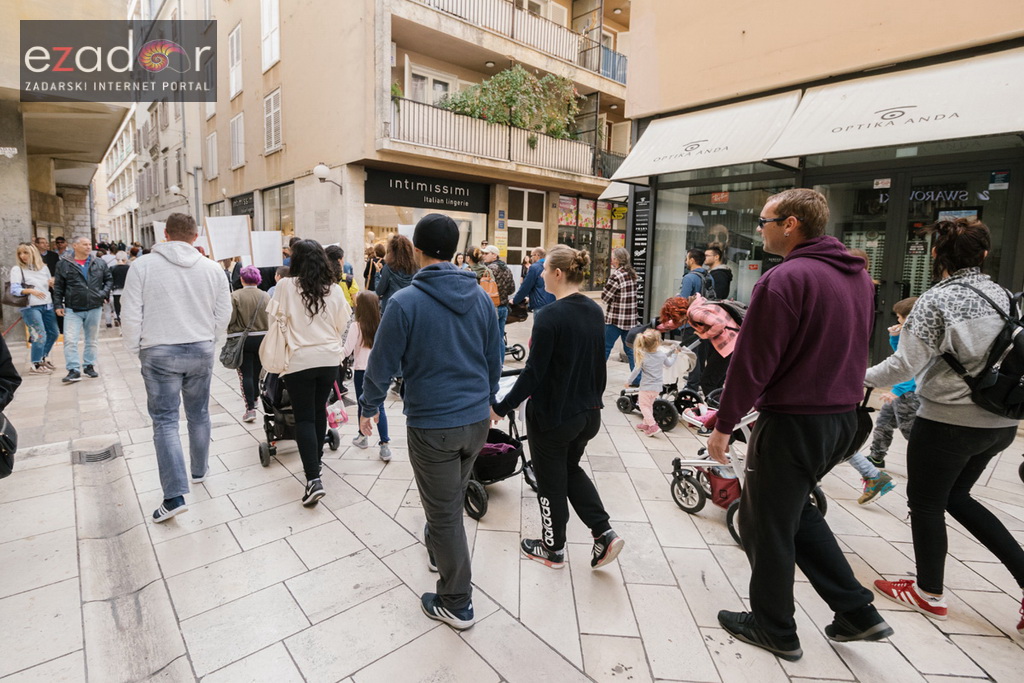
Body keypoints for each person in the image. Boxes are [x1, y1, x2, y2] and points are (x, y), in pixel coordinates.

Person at [707, 188, 889, 661]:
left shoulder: (783, 280)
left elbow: (752, 362)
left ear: (791, 224)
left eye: (765, 220)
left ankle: (775, 628)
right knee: (792, 511)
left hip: (795, 422)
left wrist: (723, 425)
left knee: (763, 522)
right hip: (842, 420)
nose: (759, 227)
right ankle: (856, 611)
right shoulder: (858, 278)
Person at [865, 217, 1024, 631]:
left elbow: (904, 364)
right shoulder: (1005, 296)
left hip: (948, 423)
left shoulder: (937, 299)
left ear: (936, 256)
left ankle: (928, 592)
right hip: (1000, 423)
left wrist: (854, 375)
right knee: (958, 497)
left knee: (928, 503)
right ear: (984, 254)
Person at [359, 213, 501, 631]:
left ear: (417, 251)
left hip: (432, 424)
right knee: (450, 499)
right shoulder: (479, 298)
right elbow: (493, 360)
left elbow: (381, 365)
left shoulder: (404, 302)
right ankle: (440, 551)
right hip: (476, 420)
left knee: (442, 512)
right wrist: (487, 400)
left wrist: (368, 408)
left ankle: (457, 601)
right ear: (455, 251)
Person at [492, 244, 624, 572]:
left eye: (543, 269)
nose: (540, 274)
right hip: (587, 413)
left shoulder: (550, 315)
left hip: (553, 417)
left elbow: (534, 373)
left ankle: (552, 548)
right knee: (570, 470)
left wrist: (501, 407)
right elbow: (597, 363)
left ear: (558, 273)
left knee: (551, 484)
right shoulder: (594, 310)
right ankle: (603, 532)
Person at [120, 213, 231, 522]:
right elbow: (224, 312)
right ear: (195, 237)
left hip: (158, 351)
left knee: (166, 422)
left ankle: (174, 495)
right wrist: (211, 340)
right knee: (199, 414)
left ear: (165, 234)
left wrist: (135, 348)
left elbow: (129, 311)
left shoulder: (142, 266)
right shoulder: (212, 269)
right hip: (199, 348)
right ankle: (199, 470)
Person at [270, 240, 352, 507]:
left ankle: (313, 479)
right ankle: (315, 463)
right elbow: (343, 323)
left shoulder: (284, 286)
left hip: (298, 360)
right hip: (328, 359)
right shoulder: (335, 290)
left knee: (304, 417)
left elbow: (275, 321)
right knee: (319, 412)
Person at [53, 236, 112, 384]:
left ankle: (89, 365)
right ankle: (73, 369)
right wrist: (58, 305)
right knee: (70, 340)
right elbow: (59, 286)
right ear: (75, 246)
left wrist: (103, 293)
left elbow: (109, 280)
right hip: (73, 308)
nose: (88, 247)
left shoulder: (99, 262)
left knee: (91, 340)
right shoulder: (63, 264)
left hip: (94, 306)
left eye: (89, 244)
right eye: (84, 244)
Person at [344, 290, 391, 461]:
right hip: (379, 370)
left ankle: (363, 437)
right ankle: (385, 445)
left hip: (361, 372)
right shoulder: (382, 324)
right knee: (380, 407)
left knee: (363, 404)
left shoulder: (356, 326)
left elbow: (346, 351)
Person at [228, 265, 270, 423]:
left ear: (242, 279)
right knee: (257, 372)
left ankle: (250, 408)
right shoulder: (265, 296)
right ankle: (256, 397)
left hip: (242, 339)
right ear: (258, 279)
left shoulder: (235, 296)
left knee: (245, 374)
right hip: (262, 338)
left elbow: (230, 319)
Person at [11, 243, 59, 374]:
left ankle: (42, 358)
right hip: (30, 307)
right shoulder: (17, 269)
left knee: (54, 333)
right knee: (39, 335)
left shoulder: (44, 268)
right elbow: (14, 290)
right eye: (20, 253)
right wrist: (31, 291)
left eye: (26, 253)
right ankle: (35, 363)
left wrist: (52, 283)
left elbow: (49, 285)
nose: (23, 256)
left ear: (33, 253)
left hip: (47, 304)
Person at [627, 329, 682, 436]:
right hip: (657, 387)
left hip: (646, 387)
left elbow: (636, 371)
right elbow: (669, 364)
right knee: (649, 405)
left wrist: (628, 381)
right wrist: (675, 354)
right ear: (657, 343)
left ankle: (652, 426)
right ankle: (645, 424)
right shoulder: (661, 355)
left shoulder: (642, 356)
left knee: (643, 406)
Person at [602, 247, 639, 369]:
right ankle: (637, 379)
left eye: (613, 258)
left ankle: (596, 376)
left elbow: (605, 297)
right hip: (630, 320)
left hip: (615, 319)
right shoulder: (632, 274)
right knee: (630, 349)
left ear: (617, 260)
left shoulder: (616, 276)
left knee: (605, 348)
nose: (611, 260)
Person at [483, 245, 515, 359]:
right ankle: (500, 364)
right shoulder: (506, 268)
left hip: (493, 307)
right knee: (500, 337)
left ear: (494, 255)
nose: (484, 256)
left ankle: (493, 364)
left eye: (487, 253)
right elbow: (512, 289)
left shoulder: (489, 269)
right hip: (504, 307)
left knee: (490, 338)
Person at [375, 234, 416, 314]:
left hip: (391, 310)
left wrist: (377, 274)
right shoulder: (415, 268)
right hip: (410, 310)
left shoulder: (389, 268)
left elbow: (379, 291)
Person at [512, 247, 555, 312]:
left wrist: (515, 300)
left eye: (531, 255)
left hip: (540, 306)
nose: (531, 258)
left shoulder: (534, 267)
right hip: (553, 305)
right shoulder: (553, 266)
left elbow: (526, 286)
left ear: (537, 255)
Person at [109, 253, 131, 326]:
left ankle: (120, 324)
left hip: (116, 292)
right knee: (128, 310)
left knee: (118, 310)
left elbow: (110, 281)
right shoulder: (129, 268)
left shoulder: (112, 268)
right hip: (128, 292)